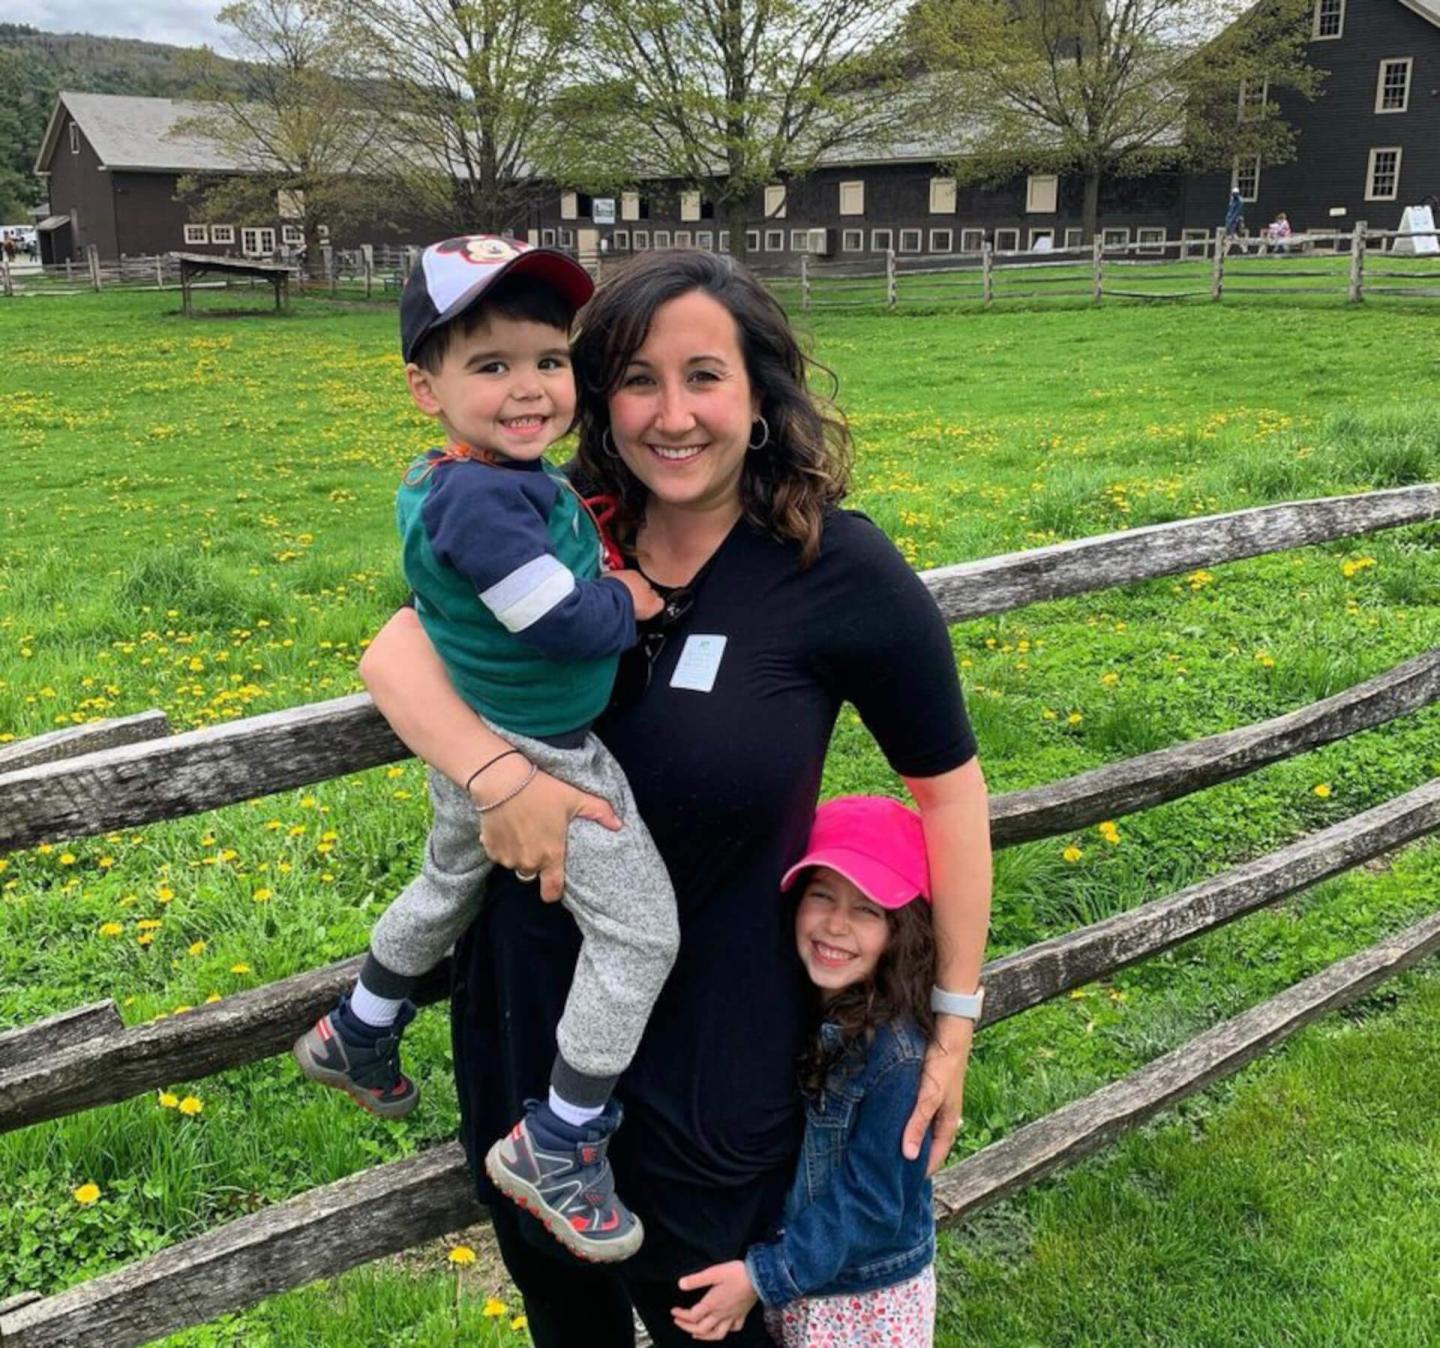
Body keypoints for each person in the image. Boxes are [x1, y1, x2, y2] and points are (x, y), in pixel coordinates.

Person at [358, 247, 992, 1346]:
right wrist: (498, 774)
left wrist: (953, 1027)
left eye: (705, 375)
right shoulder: (557, 525)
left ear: (759, 395)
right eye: (639, 379)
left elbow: (949, 791)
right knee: (569, 1318)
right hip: (534, 1038)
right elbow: (394, 653)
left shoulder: (831, 567)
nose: (672, 413)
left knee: (715, 1326)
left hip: (716, 1058)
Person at [294, 234, 679, 1263]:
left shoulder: (472, 482)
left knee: (447, 876)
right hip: (541, 747)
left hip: (482, 733)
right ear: (426, 388)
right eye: (490, 365)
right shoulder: (482, 501)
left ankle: (361, 1021)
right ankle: (559, 1136)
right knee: (641, 936)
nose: (529, 389)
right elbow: (554, 621)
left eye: (548, 361)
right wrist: (628, 601)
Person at [672, 795, 944, 1346]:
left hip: (861, 1301)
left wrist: (762, 1277)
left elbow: (872, 1206)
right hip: (811, 1278)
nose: (836, 925)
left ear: (903, 931)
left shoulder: (898, 1056)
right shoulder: (809, 1003)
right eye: (822, 896)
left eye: (867, 909)